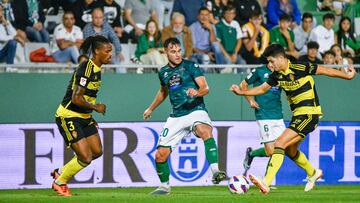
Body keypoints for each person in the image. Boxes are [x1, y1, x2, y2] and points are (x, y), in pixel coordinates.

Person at [230, 43, 357, 194]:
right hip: (298, 116)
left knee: (280, 143)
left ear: (281, 58)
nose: (270, 65)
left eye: (272, 61)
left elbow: (324, 70)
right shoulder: (277, 75)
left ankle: (266, 182)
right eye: (268, 62)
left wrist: (347, 76)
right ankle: (313, 172)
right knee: (290, 151)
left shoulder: (300, 67)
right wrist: (242, 92)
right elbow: (262, 89)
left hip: (310, 114)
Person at [143, 37, 227, 195]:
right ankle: (164, 186)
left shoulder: (191, 66)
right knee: (160, 155)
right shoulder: (163, 73)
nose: (177, 54)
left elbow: (205, 87)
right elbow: (163, 92)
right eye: (173, 51)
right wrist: (150, 108)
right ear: (166, 52)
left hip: (196, 109)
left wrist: (197, 92)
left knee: (205, 131)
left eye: (179, 51)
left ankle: (215, 171)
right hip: (177, 116)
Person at [51, 35, 112, 196]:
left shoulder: (98, 70)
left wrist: (90, 116)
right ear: (97, 51)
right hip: (68, 115)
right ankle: (60, 182)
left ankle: (60, 172)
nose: (110, 54)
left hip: (84, 117)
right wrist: (95, 107)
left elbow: (87, 97)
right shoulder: (86, 68)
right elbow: (76, 98)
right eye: (107, 51)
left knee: (97, 152)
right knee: (85, 157)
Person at [231, 63, 286, 176]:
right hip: (263, 114)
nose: (274, 63)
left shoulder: (282, 72)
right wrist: (250, 100)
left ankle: (266, 180)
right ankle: (252, 155)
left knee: (281, 148)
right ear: (268, 59)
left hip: (278, 114)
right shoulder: (259, 71)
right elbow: (243, 84)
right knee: (271, 151)